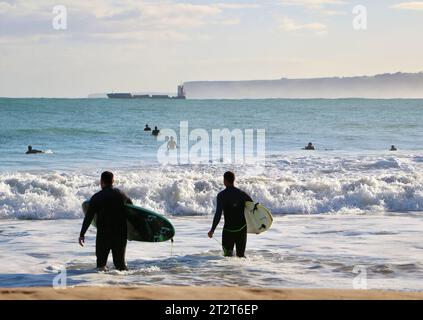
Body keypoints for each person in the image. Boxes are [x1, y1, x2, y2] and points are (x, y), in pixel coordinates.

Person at [79, 171, 133, 271]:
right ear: (113, 181)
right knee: (120, 266)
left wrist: (82, 234)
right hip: (120, 234)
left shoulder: (97, 197)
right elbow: (132, 213)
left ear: (101, 181)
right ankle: (127, 282)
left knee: (101, 266)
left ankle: (102, 283)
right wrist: (133, 233)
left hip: (104, 234)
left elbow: (88, 217)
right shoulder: (122, 195)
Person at [208, 171, 253, 258]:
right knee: (241, 256)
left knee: (227, 257)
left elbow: (218, 214)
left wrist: (212, 230)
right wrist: (257, 228)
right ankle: (243, 271)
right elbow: (253, 208)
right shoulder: (242, 194)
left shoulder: (222, 195)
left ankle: (229, 271)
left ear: (225, 180)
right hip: (242, 230)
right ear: (233, 180)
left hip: (229, 231)